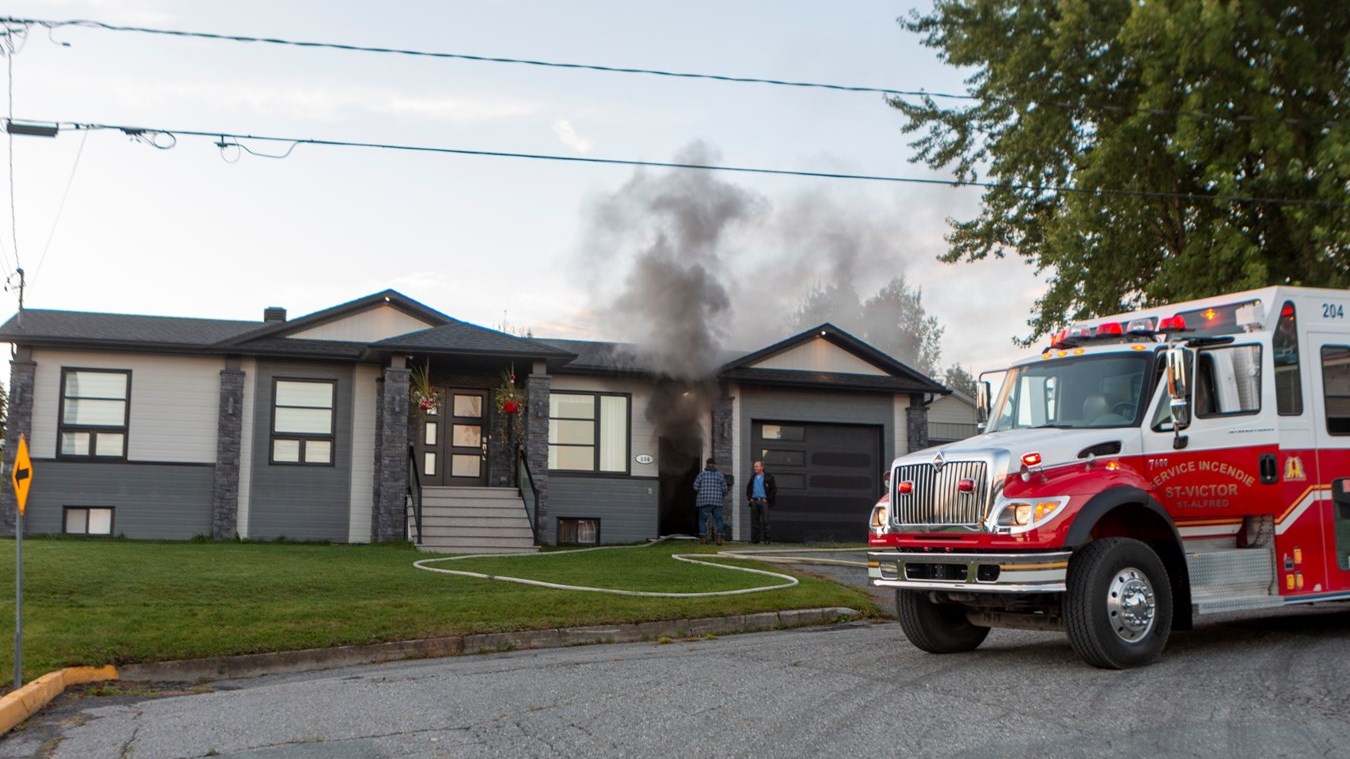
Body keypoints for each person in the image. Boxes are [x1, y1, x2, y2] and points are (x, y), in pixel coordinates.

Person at [692, 457, 728, 545]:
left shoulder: (701, 475)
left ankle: (703, 539)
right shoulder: (720, 475)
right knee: (719, 520)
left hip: (704, 501)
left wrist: (702, 492)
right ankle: (719, 539)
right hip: (717, 501)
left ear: (706, 464)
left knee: (702, 520)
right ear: (714, 465)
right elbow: (725, 489)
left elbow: (695, 487)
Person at [745, 460, 777, 544]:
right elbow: (748, 489)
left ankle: (767, 539)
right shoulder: (753, 477)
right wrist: (750, 498)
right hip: (754, 502)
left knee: (766, 521)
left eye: (757, 466)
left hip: (763, 502)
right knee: (755, 522)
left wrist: (768, 499)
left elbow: (773, 490)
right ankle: (755, 540)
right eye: (754, 466)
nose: (755, 468)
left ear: (762, 467)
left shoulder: (769, 477)